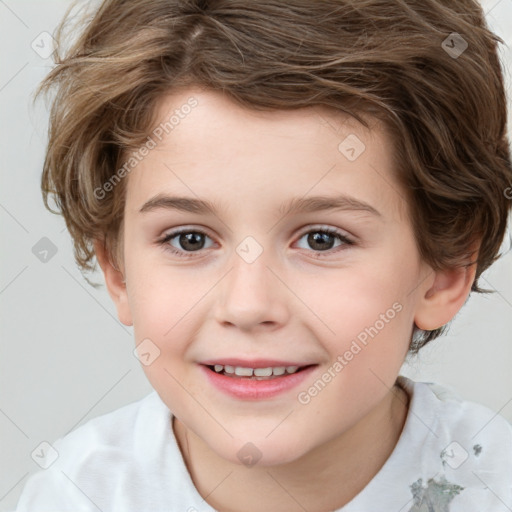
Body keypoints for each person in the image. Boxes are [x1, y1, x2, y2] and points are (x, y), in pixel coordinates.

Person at [17, 0, 512, 510]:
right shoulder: (71, 495)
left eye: (322, 239)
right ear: (118, 271)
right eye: (190, 239)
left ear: (444, 271)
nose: (248, 306)